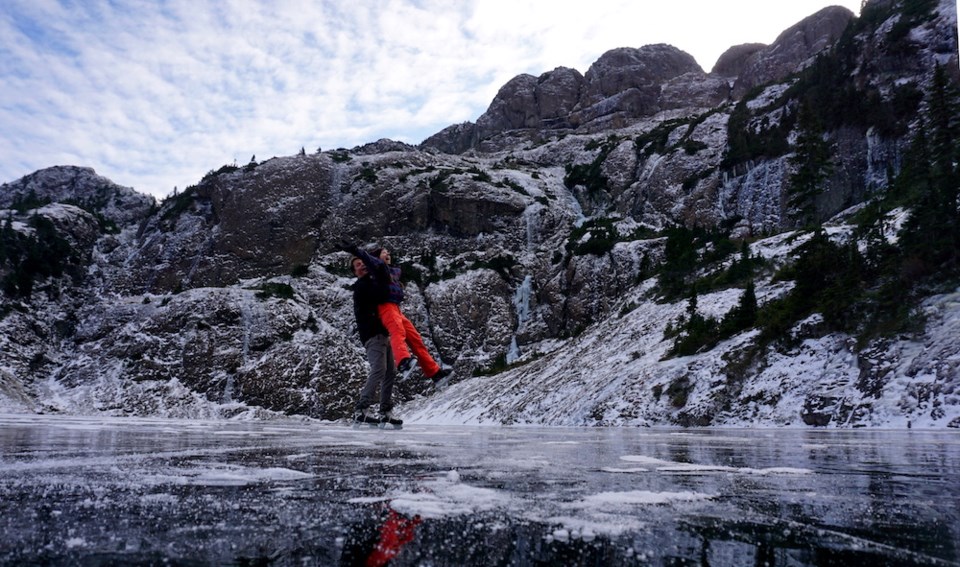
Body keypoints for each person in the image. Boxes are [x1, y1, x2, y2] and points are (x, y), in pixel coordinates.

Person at [342, 242, 451, 388]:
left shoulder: (389, 271)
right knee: (397, 331)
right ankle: (403, 362)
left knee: (415, 339)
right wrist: (356, 251)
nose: (388, 254)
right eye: (384, 252)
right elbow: (371, 261)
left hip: (395, 308)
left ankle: (435, 373)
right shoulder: (377, 268)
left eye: (388, 252)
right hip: (385, 307)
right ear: (376, 258)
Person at [348, 254, 402, 428]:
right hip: (373, 334)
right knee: (379, 369)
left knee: (390, 372)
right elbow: (380, 295)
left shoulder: (370, 282)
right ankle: (361, 410)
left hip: (383, 334)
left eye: (363, 263)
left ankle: (385, 412)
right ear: (354, 271)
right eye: (358, 265)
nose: (362, 266)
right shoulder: (362, 285)